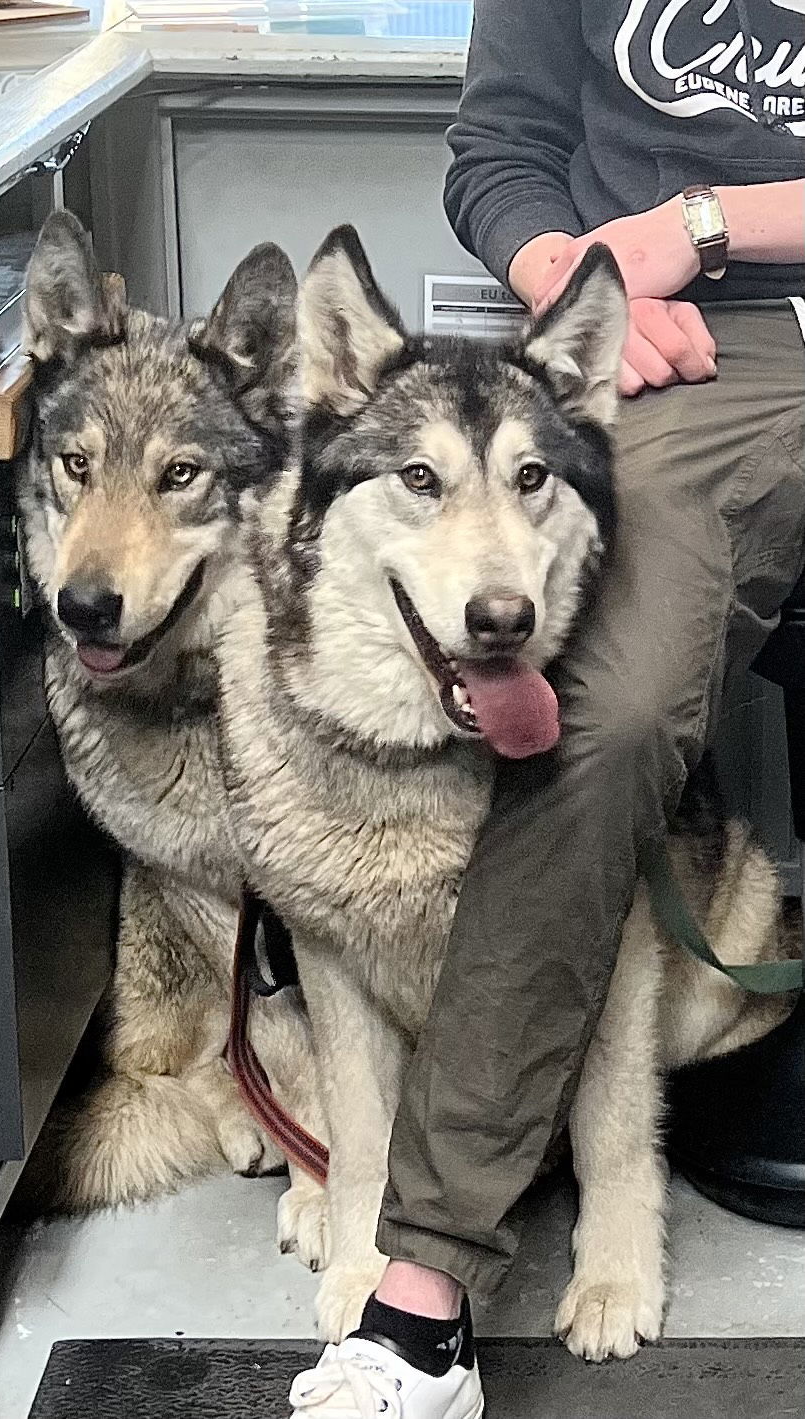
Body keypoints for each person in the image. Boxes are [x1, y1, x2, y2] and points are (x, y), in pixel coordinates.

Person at [289, 2, 805, 1414]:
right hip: (698, 349)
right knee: (605, 717)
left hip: (684, 267)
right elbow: (502, 150)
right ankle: (431, 1289)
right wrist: (574, 288)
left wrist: (692, 221)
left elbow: (677, 222)